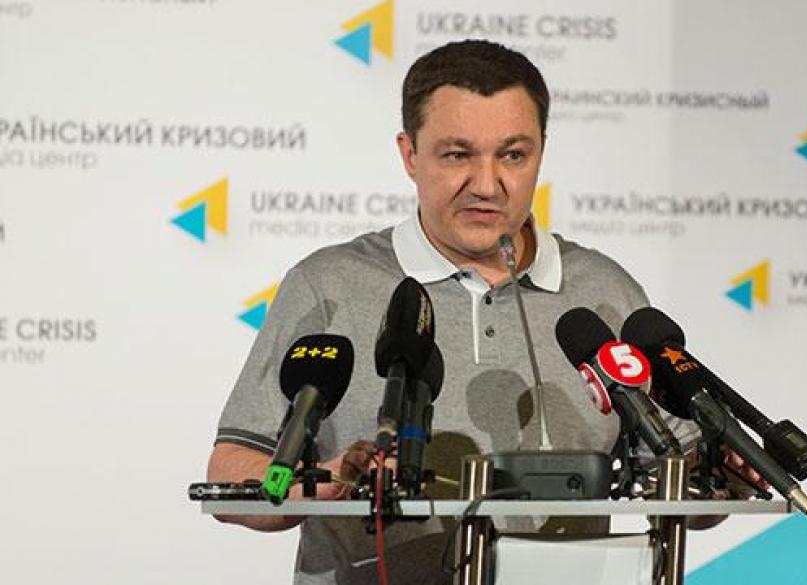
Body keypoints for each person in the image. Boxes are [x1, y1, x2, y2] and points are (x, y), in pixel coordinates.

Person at [207, 39, 764, 584]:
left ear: (541, 152)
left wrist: (723, 475)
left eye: (513, 155)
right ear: (409, 154)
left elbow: (687, 490)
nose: (487, 184)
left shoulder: (604, 292)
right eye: (457, 155)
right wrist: (320, 481)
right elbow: (232, 472)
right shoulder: (328, 284)